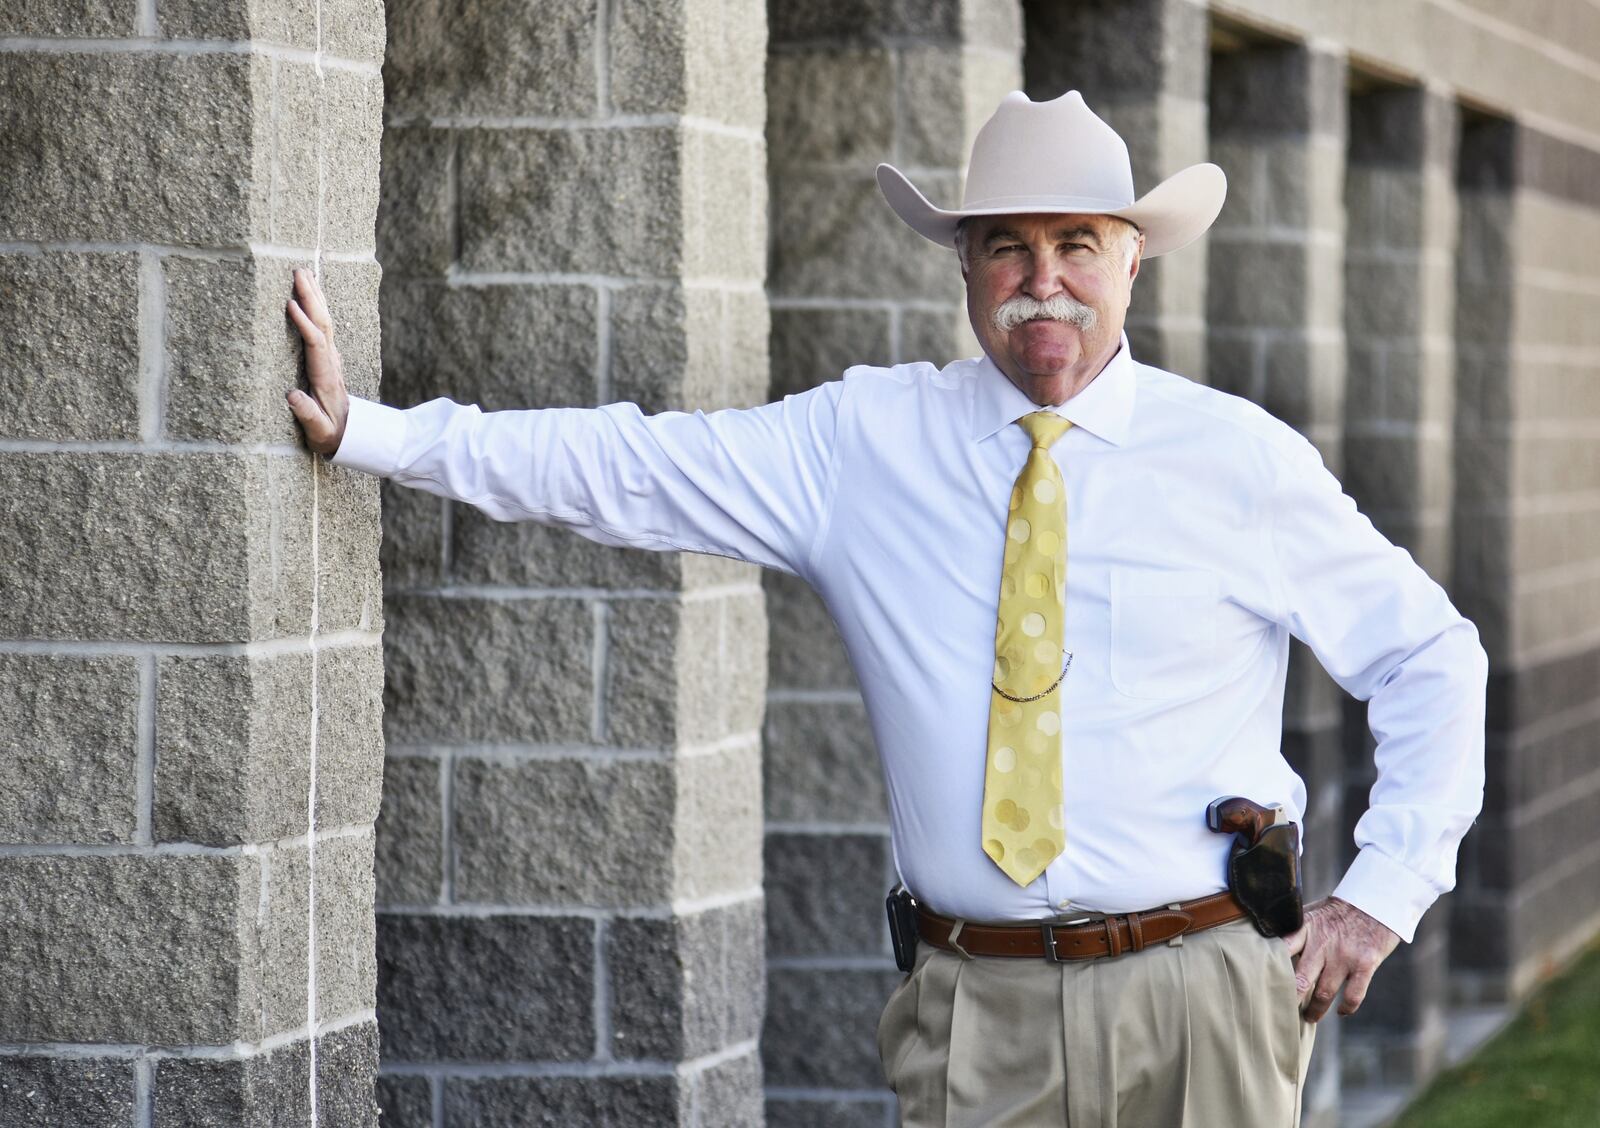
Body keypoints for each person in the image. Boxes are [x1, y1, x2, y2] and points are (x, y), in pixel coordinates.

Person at [286, 90, 1487, 1127]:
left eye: (1078, 241)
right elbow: (631, 467)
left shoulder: (1237, 459)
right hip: (978, 1008)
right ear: (962, 264)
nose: (1042, 281)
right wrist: (376, 435)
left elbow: (1430, 660)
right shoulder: (864, 442)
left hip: (1203, 995)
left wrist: (1378, 898)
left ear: (1133, 258)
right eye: (1006, 247)